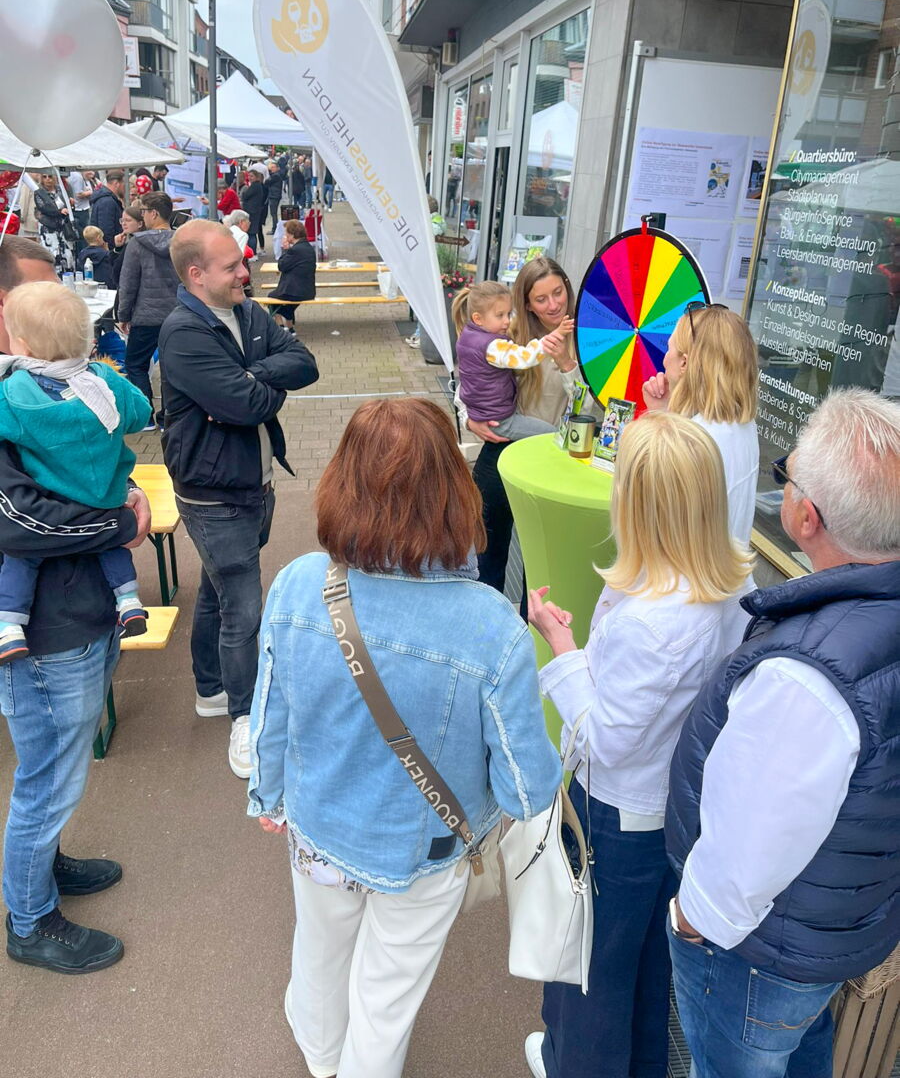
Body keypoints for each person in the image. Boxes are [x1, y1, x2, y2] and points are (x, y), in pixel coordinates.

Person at [248, 396, 561, 1078]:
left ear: (341, 481)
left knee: (320, 950)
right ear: (454, 488)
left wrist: (268, 795)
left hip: (318, 823)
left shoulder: (299, 584)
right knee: (388, 994)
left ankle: (320, 1059)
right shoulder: (489, 625)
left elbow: (270, 708)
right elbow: (525, 785)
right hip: (426, 847)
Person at [665, 388, 900, 1078]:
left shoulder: (805, 679)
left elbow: (746, 858)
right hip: (839, 923)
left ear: (804, 516)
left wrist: (690, 919)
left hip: (759, 956)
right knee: (800, 1052)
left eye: (786, 474)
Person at [525, 413, 753, 1078]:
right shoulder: (727, 580)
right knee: (646, 967)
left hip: (615, 814)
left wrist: (562, 647)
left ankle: (576, 1061)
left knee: (589, 969)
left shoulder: (655, 614)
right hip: (668, 810)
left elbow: (607, 739)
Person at [0, 239, 151, 974]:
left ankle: (45, 867)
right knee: (46, 777)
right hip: (43, 632)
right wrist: (121, 517)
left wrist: (122, 495)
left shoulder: (34, 391)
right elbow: (19, 523)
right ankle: (29, 922)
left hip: (78, 610)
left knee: (54, 765)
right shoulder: (23, 395)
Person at [159, 220, 318, 778]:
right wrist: (250, 385)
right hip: (213, 493)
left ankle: (210, 688)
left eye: (243, 262)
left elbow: (305, 364)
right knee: (244, 609)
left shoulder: (247, 312)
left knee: (222, 588)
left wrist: (248, 375)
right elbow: (248, 404)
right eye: (232, 267)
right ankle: (245, 717)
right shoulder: (182, 332)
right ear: (196, 274)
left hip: (253, 483)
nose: (245, 273)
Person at [0, 281, 151, 659]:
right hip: (109, 496)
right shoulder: (104, 380)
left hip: (57, 496)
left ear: (24, 344)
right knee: (112, 546)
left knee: (22, 560)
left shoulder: (15, 393)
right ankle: (129, 600)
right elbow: (141, 413)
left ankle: (10, 623)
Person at [466, 257, 580, 592]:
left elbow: (590, 412)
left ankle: (536, 636)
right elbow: (472, 379)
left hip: (555, 460)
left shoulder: (587, 338)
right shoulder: (508, 334)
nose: (553, 304)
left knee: (542, 567)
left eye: (558, 293)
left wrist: (566, 364)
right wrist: (470, 417)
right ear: (527, 305)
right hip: (504, 451)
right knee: (485, 553)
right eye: (541, 299)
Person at [642, 303, 759, 547]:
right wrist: (666, 414)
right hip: (728, 579)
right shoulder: (742, 424)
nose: (664, 359)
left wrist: (657, 421)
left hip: (686, 582)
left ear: (684, 363)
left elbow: (651, 525)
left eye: (668, 348)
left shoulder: (695, 443)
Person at [454, 280, 573, 442]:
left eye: (509, 314)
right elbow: (525, 357)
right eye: (500, 315)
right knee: (551, 436)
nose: (507, 321)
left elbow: (471, 381)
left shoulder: (467, 337)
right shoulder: (493, 345)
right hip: (501, 418)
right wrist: (555, 335)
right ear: (478, 319)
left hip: (490, 414)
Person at [116, 191, 179, 429]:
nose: (142, 215)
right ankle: (169, 417)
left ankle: (145, 416)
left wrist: (123, 314)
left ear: (153, 213)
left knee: (135, 364)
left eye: (143, 211)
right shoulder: (181, 241)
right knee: (172, 367)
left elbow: (128, 282)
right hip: (176, 314)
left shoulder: (137, 243)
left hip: (146, 315)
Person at [269, 219, 316, 332]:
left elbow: (281, 266)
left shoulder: (294, 250)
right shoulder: (308, 248)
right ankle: (290, 329)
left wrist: (285, 250)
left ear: (292, 235)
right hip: (308, 290)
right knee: (286, 307)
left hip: (295, 291)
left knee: (271, 299)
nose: (285, 236)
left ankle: (281, 328)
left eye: (286, 233)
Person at [34, 173, 75, 276]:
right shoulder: (39, 193)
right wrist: (60, 211)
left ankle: (68, 275)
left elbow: (68, 207)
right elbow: (45, 208)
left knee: (67, 254)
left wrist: (71, 205)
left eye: (50, 176)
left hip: (63, 227)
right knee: (52, 253)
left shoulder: (62, 190)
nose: (48, 179)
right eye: (45, 177)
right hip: (48, 227)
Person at [89, 169, 126, 252]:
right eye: (124, 184)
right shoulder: (107, 202)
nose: (125, 188)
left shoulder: (107, 200)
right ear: (117, 184)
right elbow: (106, 230)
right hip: (108, 252)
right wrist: (112, 246)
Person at [110, 203, 144, 290]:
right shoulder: (129, 243)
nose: (124, 224)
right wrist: (118, 248)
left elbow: (117, 272)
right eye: (122, 220)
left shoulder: (136, 243)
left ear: (140, 224)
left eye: (128, 220)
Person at [66, 169, 98, 244]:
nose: (91, 173)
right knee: (84, 236)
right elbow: (79, 194)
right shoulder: (78, 177)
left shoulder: (73, 174)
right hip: (81, 209)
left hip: (77, 208)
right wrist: (91, 192)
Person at [77, 225, 113, 289]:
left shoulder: (82, 254)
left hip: (88, 285)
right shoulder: (105, 254)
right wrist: (107, 251)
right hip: (104, 285)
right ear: (98, 238)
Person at [240, 169, 267, 255]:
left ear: (256, 177)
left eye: (252, 176)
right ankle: (253, 252)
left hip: (252, 212)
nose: (250, 178)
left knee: (251, 233)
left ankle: (253, 253)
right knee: (252, 232)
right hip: (254, 210)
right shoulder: (257, 185)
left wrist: (243, 193)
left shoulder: (255, 186)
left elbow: (246, 196)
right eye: (249, 176)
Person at [265, 161, 284, 233]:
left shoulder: (276, 175)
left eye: (273, 167)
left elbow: (267, 182)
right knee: (273, 213)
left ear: (277, 168)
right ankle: (274, 227)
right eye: (271, 167)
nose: (271, 169)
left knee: (273, 213)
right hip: (274, 195)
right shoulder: (275, 175)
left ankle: (274, 228)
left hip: (274, 195)